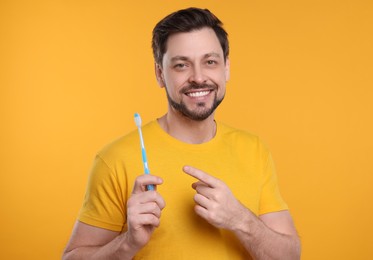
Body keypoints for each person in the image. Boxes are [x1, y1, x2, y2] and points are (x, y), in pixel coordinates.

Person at [63, 7, 301, 260]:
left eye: (210, 62)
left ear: (226, 68)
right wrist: (128, 243)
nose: (198, 77)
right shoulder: (115, 159)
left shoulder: (254, 150)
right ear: (159, 74)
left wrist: (241, 220)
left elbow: (289, 256)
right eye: (181, 65)